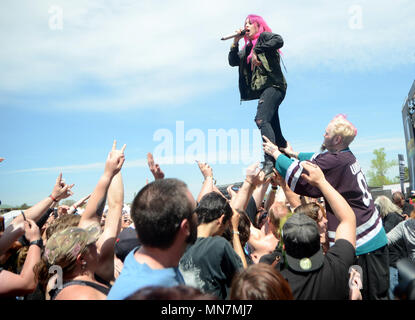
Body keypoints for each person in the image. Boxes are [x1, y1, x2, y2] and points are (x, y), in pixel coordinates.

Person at [263, 114, 389, 300]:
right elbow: (317, 157)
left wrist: (276, 154)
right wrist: (294, 153)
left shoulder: (334, 161)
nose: (323, 135)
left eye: (326, 133)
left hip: (365, 245)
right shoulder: (344, 155)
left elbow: (298, 175)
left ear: (337, 139)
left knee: (370, 294)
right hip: (371, 236)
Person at [34, 140, 126, 300]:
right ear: (80, 258)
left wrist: (109, 173)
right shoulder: (84, 295)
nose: (96, 243)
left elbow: (92, 218)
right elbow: (115, 207)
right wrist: (112, 171)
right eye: (90, 243)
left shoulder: (54, 280)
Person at [107, 178, 198, 300]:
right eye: (195, 210)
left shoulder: (139, 257)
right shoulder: (156, 292)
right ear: (185, 227)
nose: (198, 216)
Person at [279, 161, 356, 300]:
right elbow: (348, 219)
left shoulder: (277, 288)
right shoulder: (338, 265)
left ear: (284, 247)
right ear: (317, 240)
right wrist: (321, 182)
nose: (325, 222)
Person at [228, 14, 287, 178]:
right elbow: (233, 61)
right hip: (265, 91)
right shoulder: (247, 48)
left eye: (249, 23)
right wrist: (235, 42)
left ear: (257, 25)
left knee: (261, 119)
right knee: (275, 130)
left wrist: (258, 50)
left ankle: (270, 161)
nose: (246, 25)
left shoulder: (264, 37)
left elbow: (279, 40)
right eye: (244, 23)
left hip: (274, 86)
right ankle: (285, 156)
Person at [179, 192, 245, 299]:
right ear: (221, 219)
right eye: (226, 225)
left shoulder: (179, 246)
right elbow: (245, 277)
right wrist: (235, 231)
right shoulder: (218, 245)